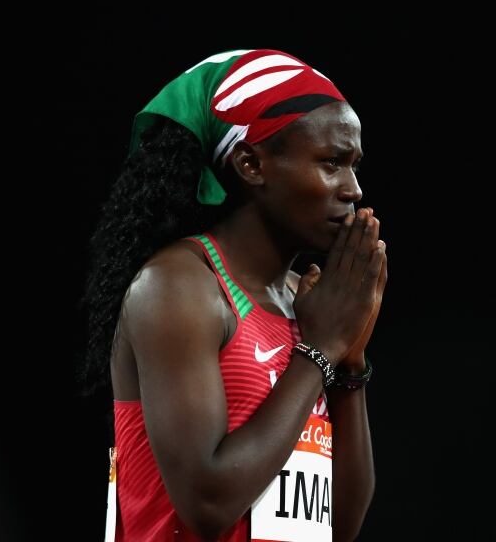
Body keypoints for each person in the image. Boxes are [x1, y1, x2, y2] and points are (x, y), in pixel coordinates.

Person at [81, 48, 388, 542]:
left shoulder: (304, 301)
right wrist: (319, 353)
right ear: (251, 163)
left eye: (354, 166)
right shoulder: (180, 286)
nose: (353, 189)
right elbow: (207, 502)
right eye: (331, 162)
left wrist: (350, 364)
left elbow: (340, 527)